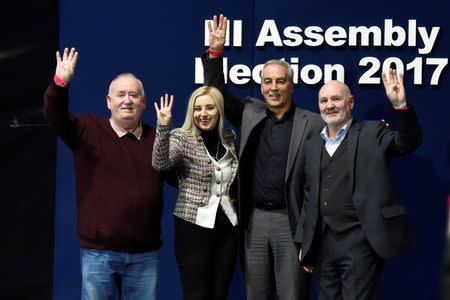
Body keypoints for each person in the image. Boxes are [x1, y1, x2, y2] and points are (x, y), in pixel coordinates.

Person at [201, 14, 324, 300]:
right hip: (254, 220)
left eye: (280, 81)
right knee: (256, 294)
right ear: (261, 85)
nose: (273, 87)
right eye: (267, 81)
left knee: (293, 295)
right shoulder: (250, 112)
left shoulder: (312, 123)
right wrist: (216, 53)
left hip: (290, 222)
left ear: (291, 86)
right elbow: (217, 92)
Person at [44, 47, 176, 300]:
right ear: (109, 101)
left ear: (143, 102)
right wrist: (60, 83)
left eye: (134, 95)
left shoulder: (158, 138)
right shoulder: (86, 130)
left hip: (144, 255)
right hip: (98, 254)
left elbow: (178, 177)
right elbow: (54, 114)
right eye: (121, 95)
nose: (128, 100)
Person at [294, 69, 423, 299]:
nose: (330, 105)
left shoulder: (372, 132)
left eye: (336, 99)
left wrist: (400, 104)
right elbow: (309, 194)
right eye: (324, 100)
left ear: (350, 102)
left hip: (360, 239)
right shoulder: (312, 145)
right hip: (322, 243)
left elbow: (408, 142)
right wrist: (305, 241)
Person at [152, 87, 239, 300]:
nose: (203, 114)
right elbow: (160, 164)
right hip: (192, 229)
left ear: (219, 110)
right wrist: (163, 128)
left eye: (210, 107)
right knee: (196, 296)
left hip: (227, 229)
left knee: (219, 295)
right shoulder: (181, 137)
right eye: (198, 109)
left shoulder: (229, 137)